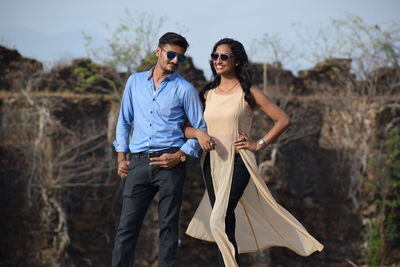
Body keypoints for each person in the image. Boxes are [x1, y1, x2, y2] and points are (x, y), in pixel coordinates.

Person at [185, 38, 324, 267]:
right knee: (225, 221)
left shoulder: (248, 91)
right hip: (211, 163)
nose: (217, 61)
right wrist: (199, 135)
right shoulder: (207, 93)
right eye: (215, 56)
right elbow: (186, 127)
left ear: (237, 61)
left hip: (239, 161)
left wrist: (259, 143)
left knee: (217, 219)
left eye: (224, 57)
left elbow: (283, 120)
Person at [111, 32, 206, 267]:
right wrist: (121, 157)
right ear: (158, 51)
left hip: (170, 164)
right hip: (139, 163)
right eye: (171, 54)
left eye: (180, 58)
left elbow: (200, 128)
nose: (175, 61)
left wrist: (179, 155)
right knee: (127, 227)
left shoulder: (185, 89)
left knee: (168, 227)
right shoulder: (134, 82)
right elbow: (124, 121)